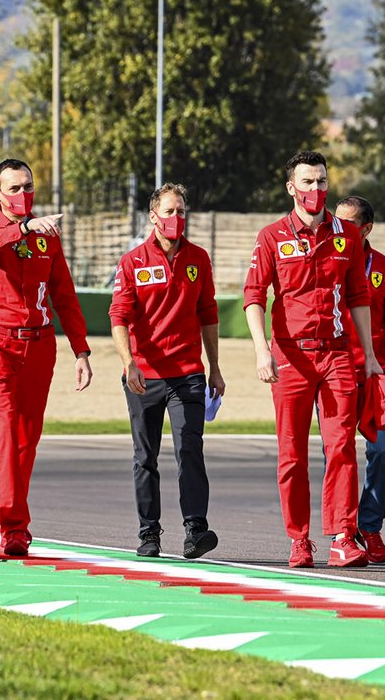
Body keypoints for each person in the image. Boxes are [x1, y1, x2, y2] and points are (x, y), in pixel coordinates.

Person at [243, 150, 383, 569]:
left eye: (321, 181)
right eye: (306, 182)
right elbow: (253, 296)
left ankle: (343, 536)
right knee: (292, 453)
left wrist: (371, 357)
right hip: (290, 357)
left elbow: (358, 296)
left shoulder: (346, 236)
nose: (315, 189)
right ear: (291, 187)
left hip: (337, 353)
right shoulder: (271, 236)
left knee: (342, 446)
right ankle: (299, 539)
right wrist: (261, 351)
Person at [0, 158, 93, 557]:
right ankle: (13, 524)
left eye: (28, 187)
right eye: (15, 188)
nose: (23, 195)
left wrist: (81, 348)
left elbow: (64, 293)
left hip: (39, 343)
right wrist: (22, 227)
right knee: (4, 427)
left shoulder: (47, 235)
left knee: (26, 439)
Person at [110, 184, 225, 559]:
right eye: (169, 212)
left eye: (181, 212)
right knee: (145, 456)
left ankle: (196, 529)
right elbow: (119, 317)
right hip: (143, 376)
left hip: (188, 374)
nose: (176, 219)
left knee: (190, 447)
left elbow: (208, 315)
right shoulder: (132, 263)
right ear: (153, 217)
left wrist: (215, 368)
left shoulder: (198, 259)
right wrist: (129, 363)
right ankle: (149, 533)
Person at [333, 196, 385, 564]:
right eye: (337, 221)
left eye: (349, 224)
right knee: (339, 452)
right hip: (334, 372)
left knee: (382, 451)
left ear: (366, 229)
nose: (340, 228)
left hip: (377, 376)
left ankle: (370, 525)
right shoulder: (326, 261)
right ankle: (344, 530)